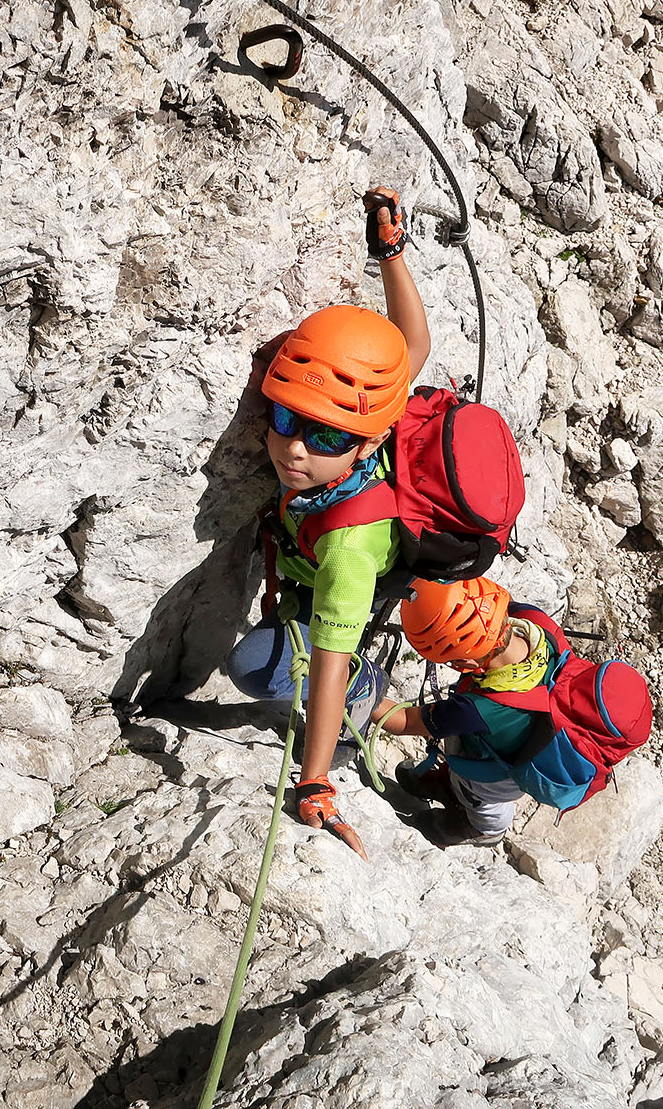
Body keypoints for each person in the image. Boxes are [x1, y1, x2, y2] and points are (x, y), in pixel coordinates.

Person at [224, 188, 431, 859]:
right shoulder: (371, 421)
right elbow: (412, 347)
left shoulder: (348, 555)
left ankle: (371, 702)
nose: (293, 449)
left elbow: (330, 660)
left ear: (365, 445)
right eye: (283, 419)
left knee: (255, 666)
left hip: (333, 580)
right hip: (319, 548)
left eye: (320, 437)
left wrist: (314, 779)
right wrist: (390, 253)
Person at [373, 576, 546, 847]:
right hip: (511, 743)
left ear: (466, 660)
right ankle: (450, 785)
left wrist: (354, 687)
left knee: (481, 797)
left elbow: (402, 721)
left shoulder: (479, 709)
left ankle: (483, 829)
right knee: (466, 760)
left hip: (495, 778)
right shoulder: (535, 623)